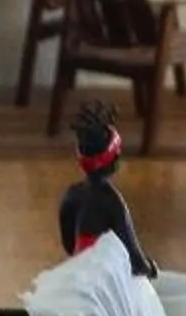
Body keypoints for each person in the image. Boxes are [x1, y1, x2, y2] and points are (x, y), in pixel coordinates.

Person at [56, 100, 155, 278]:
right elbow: (134, 258)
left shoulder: (72, 194)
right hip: (105, 282)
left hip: (77, 277)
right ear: (114, 158)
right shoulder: (113, 202)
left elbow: (69, 244)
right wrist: (150, 268)